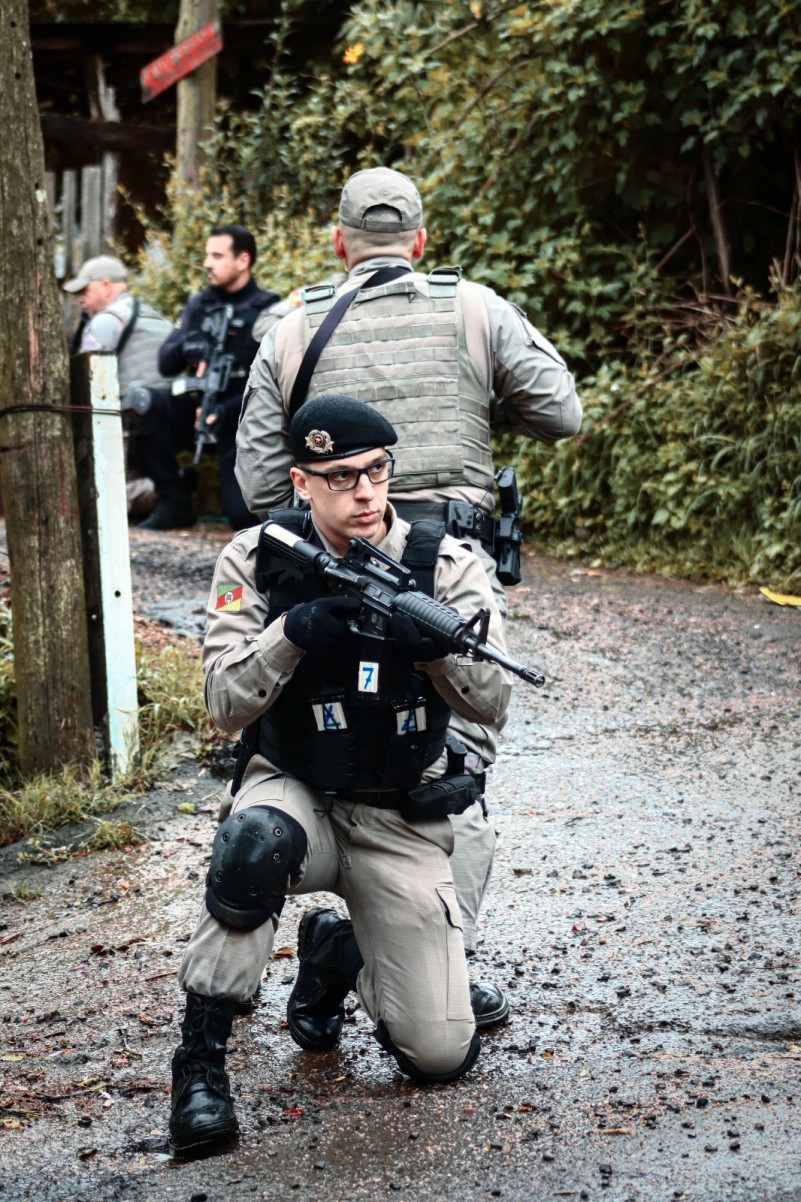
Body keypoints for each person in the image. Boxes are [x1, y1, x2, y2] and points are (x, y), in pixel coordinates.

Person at [234, 166, 583, 1029]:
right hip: (448, 575)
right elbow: (561, 412)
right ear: (420, 241)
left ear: (337, 243)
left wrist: (329, 495)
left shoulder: (291, 325)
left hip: (326, 575)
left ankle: (351, 951)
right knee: (450, 766)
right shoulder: (475, 310)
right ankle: (420, 958)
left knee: (331, 753)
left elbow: (255, 482)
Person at [169, 394, 512, 1156]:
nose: (364, 493)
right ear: (301, 481)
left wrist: (436, 651)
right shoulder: (258, 556)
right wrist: (289, 633)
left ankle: (335, 953)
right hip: (295, 785)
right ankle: (199, 1064)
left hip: (397, 807)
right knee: (252, 845)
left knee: (439, 1054)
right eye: (341, 477)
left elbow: (492, 700)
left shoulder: (443, 563)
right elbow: (223, 704)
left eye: (377, 471)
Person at [138, 223, 280, 531]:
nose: (207, 264)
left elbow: (272, 384)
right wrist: (188, 345)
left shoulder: (268, 309)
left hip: (240, 417)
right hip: (196, 409)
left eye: (217, 256)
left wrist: (225, 411)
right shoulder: (200, 305)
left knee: (241, 515)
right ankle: (174, 502)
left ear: (243, 260)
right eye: (207, 255)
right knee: (146, 403)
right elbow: (165, 364)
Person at [63, 255, 175, 519]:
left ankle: (154, 493)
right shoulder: (157, 317)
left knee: (96, 495)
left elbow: (84, 382)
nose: (79, 298)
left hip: (125, 426)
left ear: (106, 285)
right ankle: (169, 488)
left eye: (84, 290)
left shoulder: (105, 322)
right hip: (168, 422)